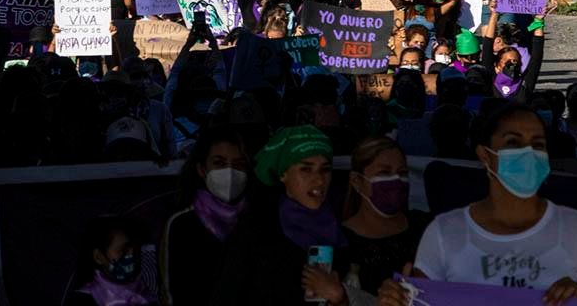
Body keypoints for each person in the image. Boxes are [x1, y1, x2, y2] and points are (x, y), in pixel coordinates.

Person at [377, 104, 577, 305]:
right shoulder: (444, 232)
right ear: (485, 156)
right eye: (513, 143)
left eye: (537, 144)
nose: (527, 153)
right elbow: (422, 300)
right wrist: (398, 300)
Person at [212, 125, 352, 306]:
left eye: (325, 169)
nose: (319, 180)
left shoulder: (343, 227)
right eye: (306, 169)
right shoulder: (256, 231)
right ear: (283, 174)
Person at [162, 126, 251, 306]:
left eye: (238, 164)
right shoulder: (182, 224)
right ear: (202, 169)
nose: (230, 172)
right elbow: (174, 294)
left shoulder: (255, 219)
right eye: (219, 163)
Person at [341, 138, 426, 295]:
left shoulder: (426, 228)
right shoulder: (339, 241)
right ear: (356, 181)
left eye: (402, 173)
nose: (396, 179)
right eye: (384, 173)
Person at [69, 215, 158, 306]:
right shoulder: (83, 299)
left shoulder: (152, 285)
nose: (132, 255)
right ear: (99, 257)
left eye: (135, 249)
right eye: (123, 250)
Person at [482, 0, 544, 102]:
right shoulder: (490, 80)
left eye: (516, 62)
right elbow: (487, 44)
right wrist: (494, 14)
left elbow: (537, 55)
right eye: (507, 62)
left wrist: (538, 20)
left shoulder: (525, 83)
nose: (512, 65)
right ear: (497, 67)